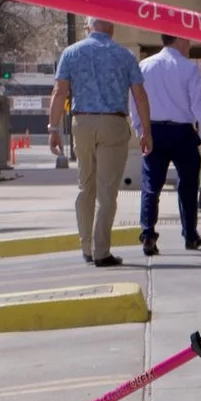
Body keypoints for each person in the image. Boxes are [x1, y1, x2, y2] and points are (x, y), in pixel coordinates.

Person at [48, 17, 150, 268]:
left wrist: (53, 128)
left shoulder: (71, 53)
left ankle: (86, 247)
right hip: (113, 123)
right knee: (107, 192)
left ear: (88, 28)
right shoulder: (124, 55)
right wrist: (145, 129)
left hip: (82, 123)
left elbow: (59, 92)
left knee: (86, 186)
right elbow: (139, 94)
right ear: (112, 29)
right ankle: (101, 250)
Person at [133, 37, 201, 256]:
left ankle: (148, 234)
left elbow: (135, 100)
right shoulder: (188, 68)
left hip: (154, 129)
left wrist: (141, 130)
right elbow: (198, 103)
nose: (190, 45)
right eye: (187, 40)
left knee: (151, 184)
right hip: (182, 132)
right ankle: (190, 234)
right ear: (178, 40)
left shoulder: (145, 66)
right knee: (188, 184)